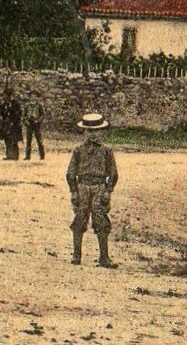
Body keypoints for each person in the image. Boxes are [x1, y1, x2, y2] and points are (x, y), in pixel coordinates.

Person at [67, 113, 120, 268]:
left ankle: (104, 257)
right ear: (84, 132)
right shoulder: (78, 150)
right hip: (83, 186)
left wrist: (108, 191)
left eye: (96, 131)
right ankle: (77, 255)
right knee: (79, 218)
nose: (93, 134)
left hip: (99, 187)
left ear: (102, 132)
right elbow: (70, 173)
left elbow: (113, 173)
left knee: (101, 219)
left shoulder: (106, 151)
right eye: (89, 131)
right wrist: (74, 191)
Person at [0, 88, 24, 162]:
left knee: (14, 139)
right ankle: (9, 155)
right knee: (7, 139)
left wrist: (13, 121)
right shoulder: (3, 104)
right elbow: (0, 113)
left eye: (5, 95)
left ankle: (15, 155)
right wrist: (1, 118)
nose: (4, 97)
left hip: (14, 124)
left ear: (8, 96)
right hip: (5, 124)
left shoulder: (15, 104)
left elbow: (18, 114)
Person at [23, 96, 46, 161]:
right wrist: (26, 121)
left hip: (36, 124)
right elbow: (24, 115)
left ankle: (42, 156)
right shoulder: (27, 106)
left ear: (37, 98)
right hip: (29, 124)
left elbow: (43, 115)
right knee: (28, 140)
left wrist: (38, 121)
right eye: (32, 96)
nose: (33, 98)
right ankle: (27, 156)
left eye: (34, 96)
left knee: (39, 140)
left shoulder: (39, 105)